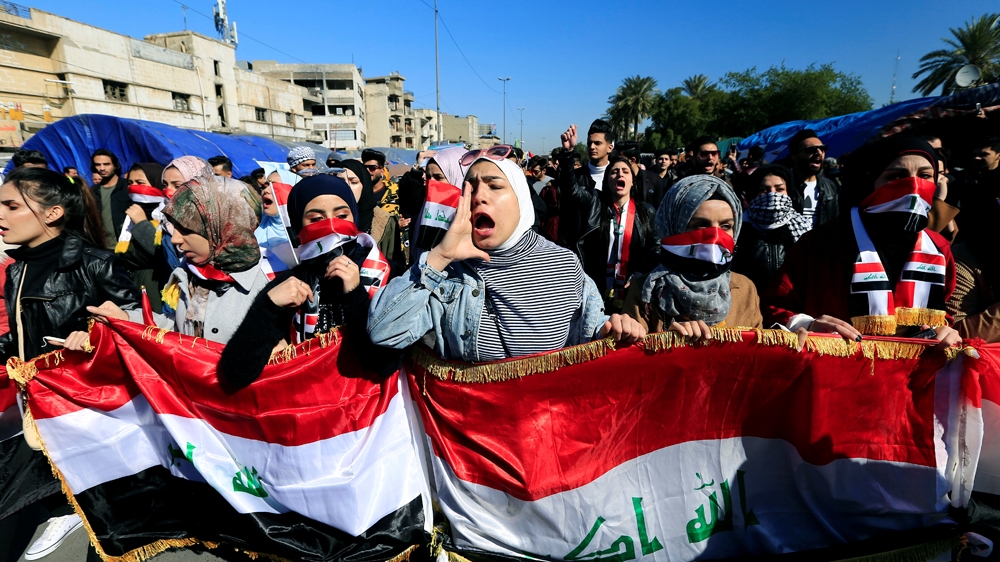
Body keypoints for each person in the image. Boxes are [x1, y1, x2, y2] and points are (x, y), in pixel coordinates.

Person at [368, 153, 645, 362]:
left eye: (494, 186)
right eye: (471, 187)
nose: (479, 197)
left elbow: (589, 327)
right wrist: (440, 256)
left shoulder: (563, 264)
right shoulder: (446, 272)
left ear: (521, 201)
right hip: (467, 433)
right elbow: (382, 331)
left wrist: (611, 328)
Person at [0, 167, 139, 562]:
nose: (1, 216)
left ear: (52, 213)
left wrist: (97, 335)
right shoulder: (18, 270)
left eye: (12, 206)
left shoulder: (97, 264)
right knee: (10, 508)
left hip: (91, 417)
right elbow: (24, 337)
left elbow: (135, 330)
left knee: (109, 531)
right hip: (36, 413)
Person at [763, 136, 961, 346]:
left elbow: (941, 312)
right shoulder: (820, 244)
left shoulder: (938, 248)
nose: (914, 187)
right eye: (896, 177)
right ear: (868, 182)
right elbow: (773, 306)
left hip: (912, 374)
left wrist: (944, 330)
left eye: (925, 176)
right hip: (836, 368)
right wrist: (807, 325)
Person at [218, 175, 396, 387]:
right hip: (308, 407)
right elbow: (234, 373)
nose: (331, 225)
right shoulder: (293, 282)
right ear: (298, 226)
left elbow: (386, 364)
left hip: (369, 412)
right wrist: (267, 307)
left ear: (354, 217)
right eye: (316, 219)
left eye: (341, 215)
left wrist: (355, 296)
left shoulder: (388, 275)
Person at [89, 157, 267, 345]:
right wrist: (127, 317)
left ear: (221, 228)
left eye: (188, 230)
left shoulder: (269, 281)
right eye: (175, 228)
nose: (175, 239)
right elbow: (179, 329)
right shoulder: (190, 274)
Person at [622, 175, 763, 337]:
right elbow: (632, 357)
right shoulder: (646, 290)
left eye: (726, 226)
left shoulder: (745, 289)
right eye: (700, 225)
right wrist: (667, 343)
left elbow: (755, 353)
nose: (715, 236)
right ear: (673, 226)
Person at [562, 156, 657, 313]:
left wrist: (641, 274)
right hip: (597, 288)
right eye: (614, 172)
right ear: (607, 181)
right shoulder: (596, 203)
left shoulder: (646, 212)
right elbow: (570, 190)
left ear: (632, 181)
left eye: (625, 172)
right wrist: (568, 153)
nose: (620, 175)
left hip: (632, 291)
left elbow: (656, 249)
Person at [731, 164, 812, 291]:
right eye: (764, 190)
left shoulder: (802, 227)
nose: (772, 195)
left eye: (780, 189)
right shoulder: (740, 227)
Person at [114, 163, 172, 312]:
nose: (133, 187)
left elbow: (163, 254)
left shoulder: (167, 216)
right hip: (133, 285)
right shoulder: (130, 212)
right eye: (130, 183)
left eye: (140, 183)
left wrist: (141, 224)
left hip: (157, 286)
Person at [556, 120, 616, 245]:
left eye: (597, 143)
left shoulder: (619, 176)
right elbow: (566, 215)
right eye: (590, 143)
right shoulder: (576, 177)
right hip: (579, 248)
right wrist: (568, 152)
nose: (592, 147)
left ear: (610, 147)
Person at [784, 129, 838, 227]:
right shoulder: (783, 186)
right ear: (795, 157)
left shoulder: (830, 186)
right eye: (811, 150)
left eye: (822, 148)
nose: (818, 153)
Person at [90, 149, 129, 251]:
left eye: (106, 164)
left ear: (115, 165)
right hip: (102, 247)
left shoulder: (128, 187)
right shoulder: (93, 191)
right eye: (98, 165)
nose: (102, 168)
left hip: (126, 247)